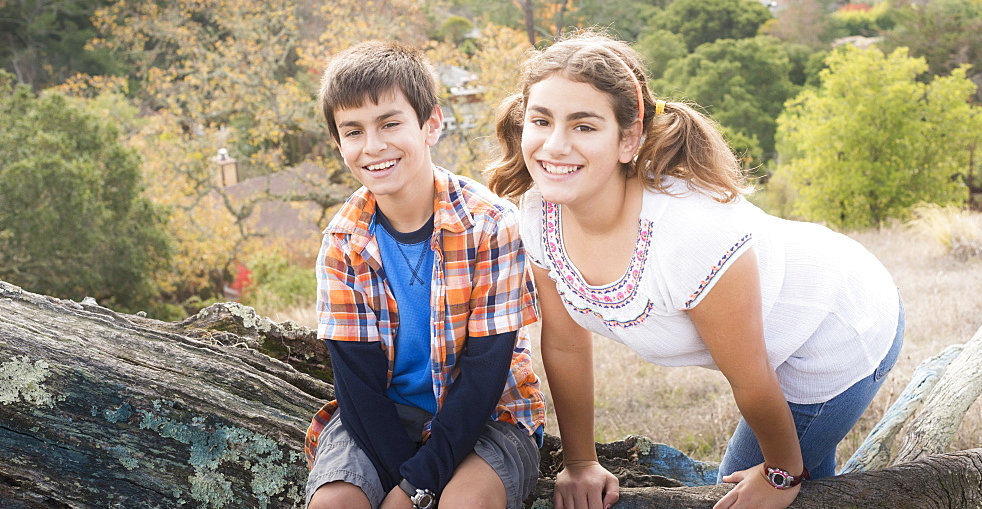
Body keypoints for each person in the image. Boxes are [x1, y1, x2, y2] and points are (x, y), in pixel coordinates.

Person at [487, 31, 904, 509]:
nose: (555, 145)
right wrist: (580, 463)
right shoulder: (539, 213)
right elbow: (563, 341)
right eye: (541, 120)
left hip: (838, 324)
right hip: (774, 345)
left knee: (747, 490)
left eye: (584, 126)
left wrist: (783, 475)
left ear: (629, 140)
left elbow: (750, 377)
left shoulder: (688, 235)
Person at [304, 41, 545, 509]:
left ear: (431, 124)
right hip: (382, 418)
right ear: (338, 144)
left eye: (390, 123)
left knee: (463, 505)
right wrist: (405, 482)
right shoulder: (342, 243)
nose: (373, 146)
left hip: (489, 416)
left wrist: (419, 487)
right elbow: (358, 387)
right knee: (334, 504)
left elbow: (484, 374)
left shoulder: (490, 224)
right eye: (353, 131)